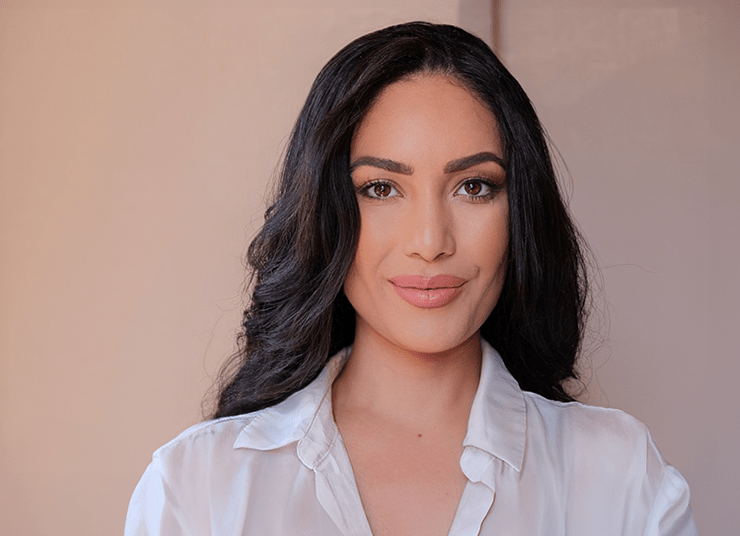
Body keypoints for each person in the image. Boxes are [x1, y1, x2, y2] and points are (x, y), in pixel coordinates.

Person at [124, 22, 697, 536]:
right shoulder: (196, 487)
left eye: (474, 186)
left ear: (520, 210)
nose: (430, 241)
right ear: (327, 212)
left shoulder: (619, 476)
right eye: (381, 188)